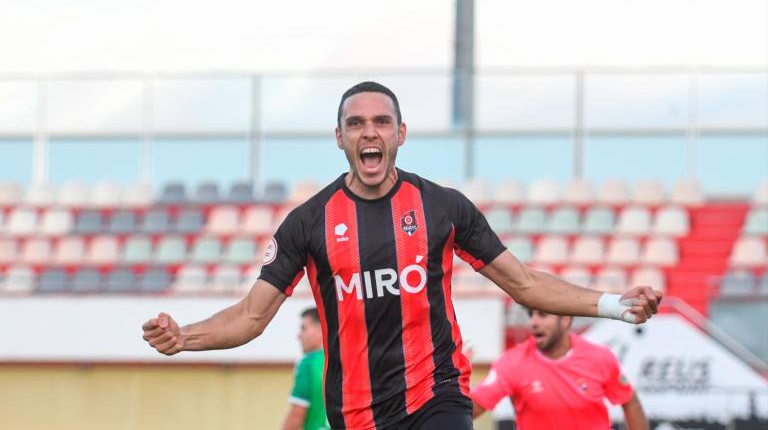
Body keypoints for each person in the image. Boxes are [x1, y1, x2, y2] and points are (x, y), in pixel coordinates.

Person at [141, 81, 662, 430]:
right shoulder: (309, 222)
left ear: (400, 134)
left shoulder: (442, 207)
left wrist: (616, 304)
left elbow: (523, 283)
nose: (371, 132)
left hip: (437, 394)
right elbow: (251, 316)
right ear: (340, 137)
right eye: (357, 123)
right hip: (356, 411)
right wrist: (184, 337)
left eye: (382, 122)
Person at [471, 308, 649, 430]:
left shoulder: (599, 357)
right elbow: (473, 407)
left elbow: (630, 401)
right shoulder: (512, 362)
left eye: (542, 315)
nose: (533, 322)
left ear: (565, 320)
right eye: (531, 315)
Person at [283, 307, 330, 430]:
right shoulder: (345, 360)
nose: (299, 335)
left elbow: (297, 414)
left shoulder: (309, 363)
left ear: (321, 329)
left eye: (304, 328)